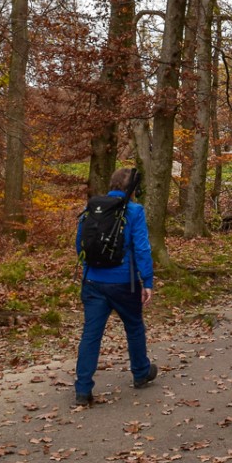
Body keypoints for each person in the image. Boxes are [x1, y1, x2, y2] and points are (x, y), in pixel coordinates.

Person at [74, 167, 157, 406]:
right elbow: (142, 248)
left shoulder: (93, 208)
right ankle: (141, 373)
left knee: (91, 334)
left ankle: (82, 389)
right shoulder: (134, 211)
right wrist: (147, 281)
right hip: (124, 282)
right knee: (134, 327)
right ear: (132, 189)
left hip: (93, 281)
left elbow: (80, 245)